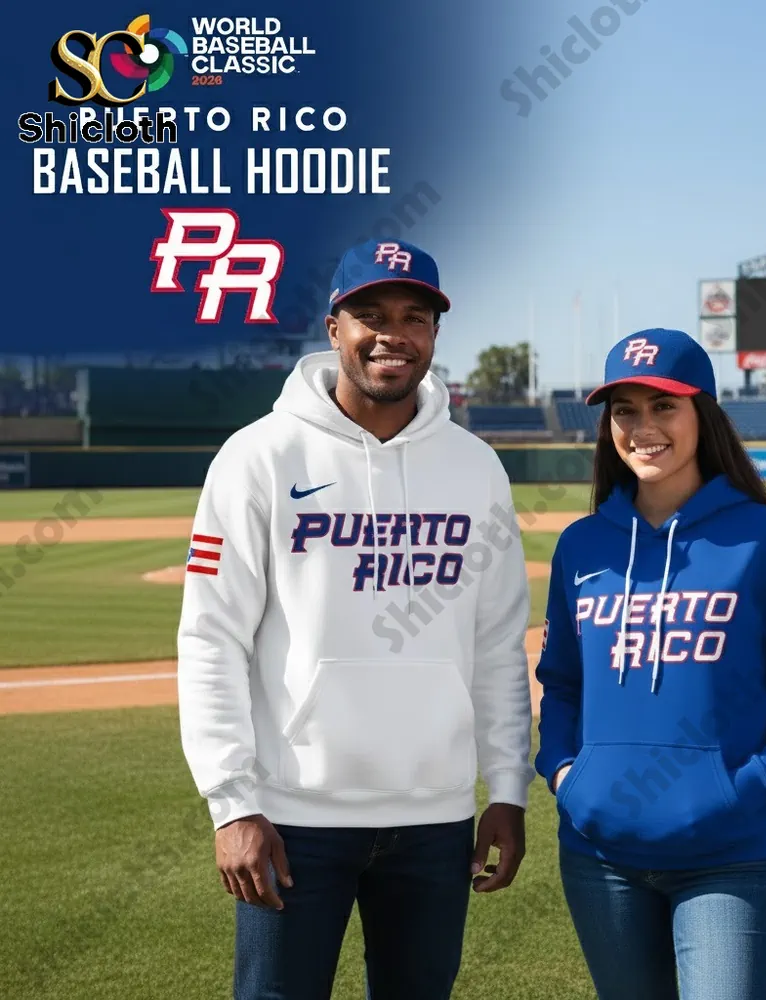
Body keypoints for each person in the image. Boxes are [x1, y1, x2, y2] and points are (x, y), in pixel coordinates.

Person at [176, 238, 534, 1000]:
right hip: (291, 816)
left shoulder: (476, 469)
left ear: (435, 333)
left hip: (434, 819)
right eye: (369, 314)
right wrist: (233, 802)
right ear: (334, 327)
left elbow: (498, 642)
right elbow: (211, 638)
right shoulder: (258, 457)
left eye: (414, 316)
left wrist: (507, 787)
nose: (391, 334)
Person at [534, 328, 766, 1000]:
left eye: (663, 406)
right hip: (600, 857)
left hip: (725, 858)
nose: (642, 427)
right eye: (625, 409)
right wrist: (567, 774)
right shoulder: (583, 547)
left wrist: (750, 788)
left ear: (702, 416)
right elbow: (562, 682)